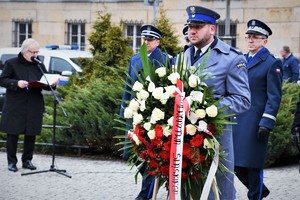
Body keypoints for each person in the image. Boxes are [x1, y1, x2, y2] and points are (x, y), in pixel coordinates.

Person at [183, 6, 251, 200]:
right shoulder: (183, 57)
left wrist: (207, 110)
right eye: (190, 26)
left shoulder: (231, 58)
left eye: (198, 26)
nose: (192, 31)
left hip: (215, 140)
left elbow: (243, 100)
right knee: (188, 191)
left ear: (212, 29)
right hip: (185, 140)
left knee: (217, 192)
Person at [120, 24, 172, 200]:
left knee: (151, 155)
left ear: (158, 41)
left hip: (154, 115)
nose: (147, 42)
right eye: (145, 39)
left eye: (150, 39)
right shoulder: (135, 59)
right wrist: (124, 110)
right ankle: (148, 191)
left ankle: (146, 194)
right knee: (136, 155)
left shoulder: (166, 60)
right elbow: (128, 87)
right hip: (135, 114)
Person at [233, 19, 283, 200]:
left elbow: (274, 96)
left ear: (265, 41)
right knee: (235, 164)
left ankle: (255, 195)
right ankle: (261, 190)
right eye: (249, 37)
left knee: (252, 165)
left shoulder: (271, 63)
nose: (250, 40)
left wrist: (267, 122)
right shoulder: (241, 59)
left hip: (256, 121)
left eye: (255, 37)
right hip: (238, 120)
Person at [0, 38, 59, 172]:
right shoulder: (11, 63)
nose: (36, 55)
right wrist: (16, 83)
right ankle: (12, 162)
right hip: (16, 104)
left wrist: (52, 84)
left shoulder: (38, 64)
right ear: (26, 52)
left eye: (37, 52)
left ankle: (27, 160)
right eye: (33, 52)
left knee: (31, 133)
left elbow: (46, 82)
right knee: (13, 133)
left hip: (34, 103)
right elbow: (2, 80)